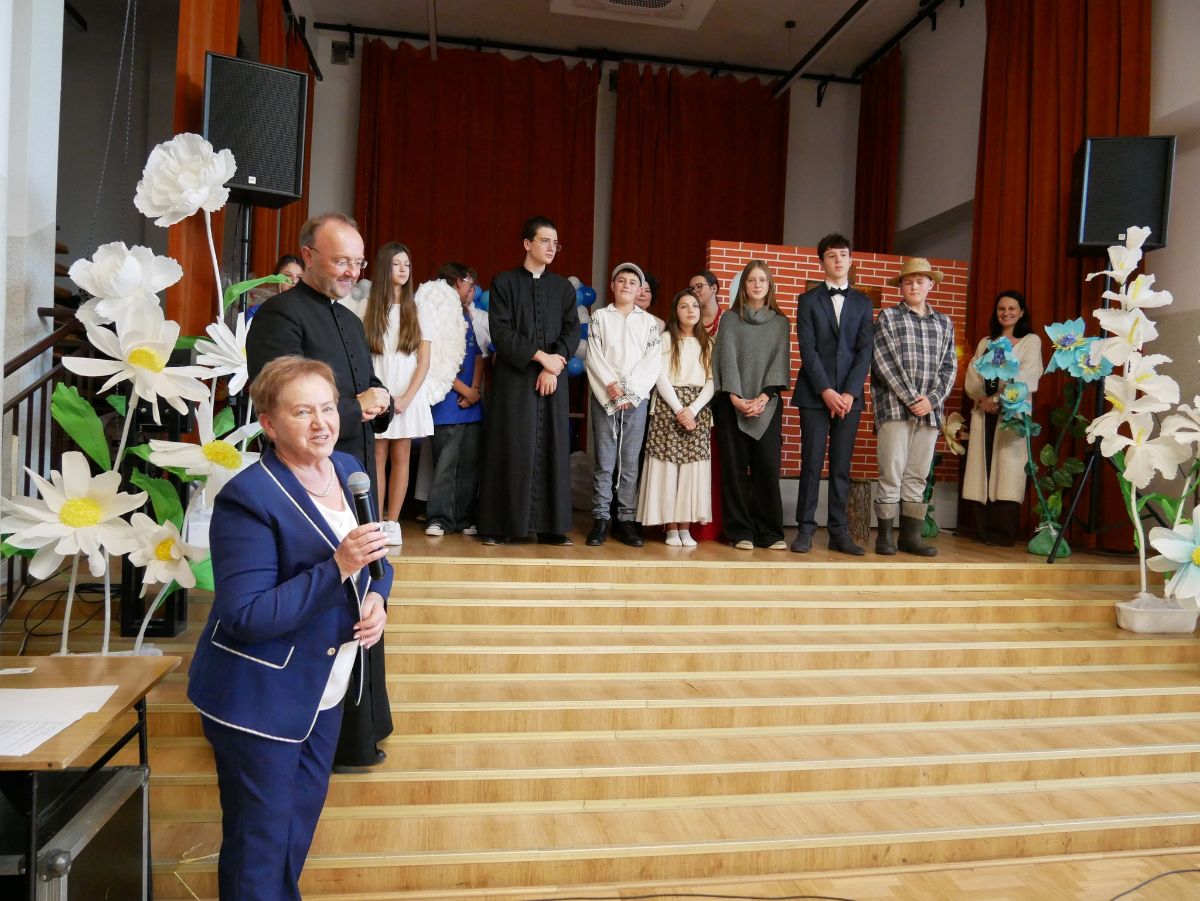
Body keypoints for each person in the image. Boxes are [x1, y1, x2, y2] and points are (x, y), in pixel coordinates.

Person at [187, 356, 391, 901]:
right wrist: (339, 567)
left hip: (324, 689)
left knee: (295, 830)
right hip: (259, 696)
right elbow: (246, 615)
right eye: (303, 412)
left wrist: (377, 597)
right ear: (270, 424)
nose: (321, 423)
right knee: (260, 843)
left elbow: (376, 559)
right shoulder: (249, 497)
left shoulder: (348, 470)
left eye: (328, 408)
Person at [246, 211, 394, 772]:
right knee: (323, 588)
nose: (352, 272)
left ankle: (360, 730)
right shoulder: (279, 315)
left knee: (365, 587)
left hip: (352, 474)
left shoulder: (350, 320)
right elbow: (278, 402)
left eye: (358, 262)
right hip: (303, 479)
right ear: (307, 255)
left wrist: (381, 400)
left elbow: (364, 388)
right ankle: (310, 733)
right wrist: (358, 406)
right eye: (341, 261)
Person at [477, 215, 581, 546]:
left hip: (553, 381)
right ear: (527, 243)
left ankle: (551, 527)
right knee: (512, 447)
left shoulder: (563, 288)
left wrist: (553, 365)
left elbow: (572, 330)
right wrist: (540, 358)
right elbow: (502, 332)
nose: (551, 248)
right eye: (544, 241)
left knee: (553, 446)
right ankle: (500, 525)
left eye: (555, 243)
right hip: (516, 380)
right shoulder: (504, 283)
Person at [791, 233, 875, 555]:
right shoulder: (807, 301)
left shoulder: (863, 303)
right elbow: (807, 350)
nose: (838, 260)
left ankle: (839, 531)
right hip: (815, 394)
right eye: (831, 255)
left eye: (843, 255)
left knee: (841, 466)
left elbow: (864, 351)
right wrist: (826, 390)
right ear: (822, 262)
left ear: (851, 260)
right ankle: (805, 528)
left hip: (850, 398)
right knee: (811, 463)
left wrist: (850, 393)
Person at [871, 257, 957, 557]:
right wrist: (911, 399)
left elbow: (949, 367)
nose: (914, 286)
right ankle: (884, 537)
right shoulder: (888, 317)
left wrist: (932, 400)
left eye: (920, 281)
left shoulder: (944, 323)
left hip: (930, 412)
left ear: (931, 284)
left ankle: (910, 538)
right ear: (901, 287)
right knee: (891, 471)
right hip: (895, 408)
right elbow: (883, 362)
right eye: (908, 282)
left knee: (918, 475)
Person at [712, 260, 792, 550]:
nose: (757, 285)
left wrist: (763, 397)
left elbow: (780, 364)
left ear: (770, 285)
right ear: (743, 285)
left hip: (767, 404)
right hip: (731, 402)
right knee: (734, 470)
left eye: (762, 280)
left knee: (767, 468)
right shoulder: (730, 319)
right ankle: (740, 532)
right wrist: (735, 397)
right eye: (751, 280)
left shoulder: (781, 323)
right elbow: (724, 361)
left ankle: (769, 533)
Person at [585, 262, 661, 547]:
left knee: (629, 462)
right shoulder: (600, 317)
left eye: (632, 282)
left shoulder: (648, 322)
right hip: (605, 396)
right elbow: (594, 355)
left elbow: (652, 361)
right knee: (605, 461)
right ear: (612, 286)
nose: (626, 285)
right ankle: (601, 518)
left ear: (640, 289)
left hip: (635, 400)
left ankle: (626, 518)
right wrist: (611, 386)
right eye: (621, 280)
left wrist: (630, 391)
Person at [363, 242, 433, 546]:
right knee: (377, 454)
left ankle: (393, 522)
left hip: (407, 392)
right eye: (396, 264)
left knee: (401, 454)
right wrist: (375, 394)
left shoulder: (418, 309)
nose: (403, 269)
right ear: (384, 267)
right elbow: (362, 356)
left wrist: (405, 398)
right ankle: (376, 522)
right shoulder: (367, 308)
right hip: (377, 390)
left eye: (407, 264)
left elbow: (424, 361)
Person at [963, 290, 1043, 546]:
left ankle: (1003, 533)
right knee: (982, 469)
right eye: (1001, 309)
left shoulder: (1030, 341)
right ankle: (982, 530)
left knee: (1008, 471)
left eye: (1011, 308)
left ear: (1021, 312)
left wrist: (998, 400)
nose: (1006, 313)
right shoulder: (986, 343)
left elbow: (1028, 376)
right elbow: (973, 374)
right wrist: (981, 400)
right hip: (983, 412)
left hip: (1011, 413)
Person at [637, 289, 714, 545]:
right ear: (675, 311)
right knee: (667, 469)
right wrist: (680, 409)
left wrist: (693, 409)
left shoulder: (708, 342)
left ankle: (685, 527)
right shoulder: (666, 339)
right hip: (668, 407)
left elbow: (713, 380)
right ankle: (670, 527)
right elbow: (659, 376)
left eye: (695, 306)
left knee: (692, 471)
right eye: (684, 306)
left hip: (698, 410)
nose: (691, 310)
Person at [425, 262, 489, 537]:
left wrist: (474, 390)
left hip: (471, 402)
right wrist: (465, 390)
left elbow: (478, 355)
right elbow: (435, 361)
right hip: (446, 402)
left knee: (469, 463)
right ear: (459, 282)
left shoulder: (466, 314)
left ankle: (464, 517)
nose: (472, 289)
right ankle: (440, 518)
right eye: (470, 283)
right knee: (445, 464)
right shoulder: (437, 314)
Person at [246, 254, 303, 320]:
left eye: (299, 277)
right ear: (275, 279)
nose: (294, 281)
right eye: (287, 275)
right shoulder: (257, 312)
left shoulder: (308, 313)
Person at [688, 269, 723, 337]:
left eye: (699, 286)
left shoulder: (727, 318)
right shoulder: (689, 318)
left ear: (714, 288)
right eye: (691, 289)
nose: (694, 292)